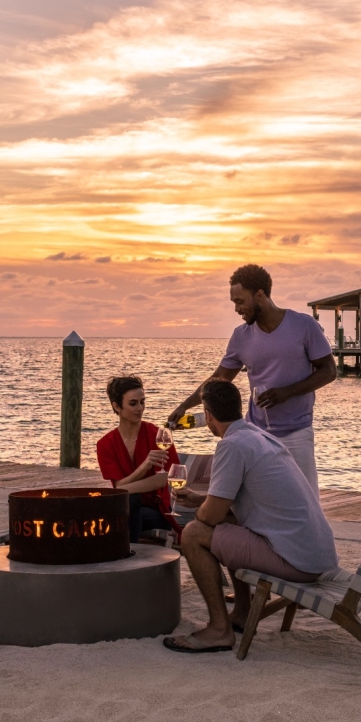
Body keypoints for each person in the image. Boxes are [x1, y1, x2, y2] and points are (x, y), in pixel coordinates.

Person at [164, 380, 340, 653]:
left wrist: (201, 510)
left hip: (298, 562)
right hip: (316, 552)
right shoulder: (259, 436)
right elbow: (241, 502)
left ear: (208, 415)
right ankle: (243, 613)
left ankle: (220, 630)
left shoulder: (232, 445)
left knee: (194, 534)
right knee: (230, 526)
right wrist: (202, 499)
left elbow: (210, 518)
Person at [168, 263, 336, 493]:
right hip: (255, 432)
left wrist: (287, 392)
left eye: (240, 301)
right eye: (233, 303)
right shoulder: (240, 336)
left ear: (259, 295)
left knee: (305, 497)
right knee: (253, 499)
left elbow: (329, 371)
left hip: (296, 432)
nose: (237, 309)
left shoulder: (303, 325)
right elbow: (219, 379)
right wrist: (185, 405)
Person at [96, 376, 179, 541]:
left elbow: (162, 479)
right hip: (126, 507)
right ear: (117, 406)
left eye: (142, 402)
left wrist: (124, 490)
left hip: (158, 511)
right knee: (125, 505)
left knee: (127, 504)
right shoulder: (106, 444)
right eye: (133, 403)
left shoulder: (158, 436)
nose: (140, 408)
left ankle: (126, 555)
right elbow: (118, 485)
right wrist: (145, 466)